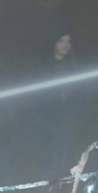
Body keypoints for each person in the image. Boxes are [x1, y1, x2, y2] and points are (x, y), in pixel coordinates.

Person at [30, 29, 79, 179]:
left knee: (60, 154)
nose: (65, 45)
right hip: (45, 116)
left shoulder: (72, 66)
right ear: (54, 43)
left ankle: (51, 184)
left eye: (68, 41)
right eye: (61, 41)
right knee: (43, 154)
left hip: (65, 117)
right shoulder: (43, 65)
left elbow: (76, 92)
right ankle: (41, 183)